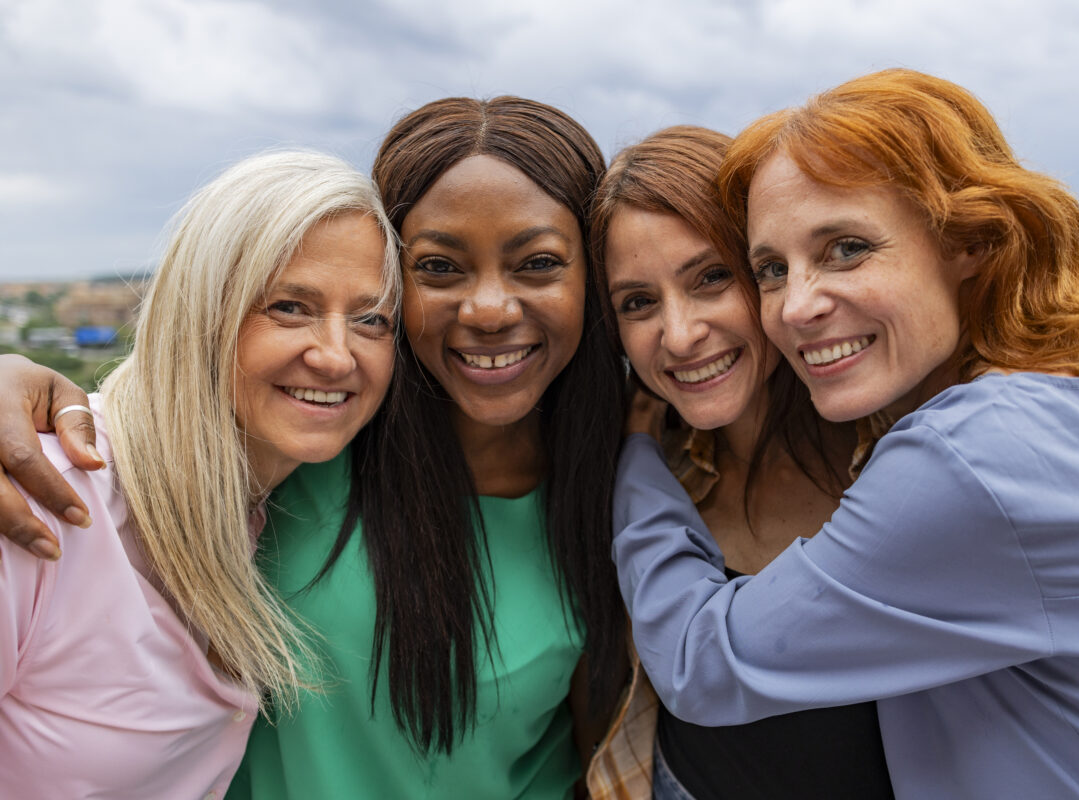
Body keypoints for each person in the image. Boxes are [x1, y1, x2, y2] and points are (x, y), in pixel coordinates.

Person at [0, 96, 628, 799]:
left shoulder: (627, 489)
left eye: (538, 262)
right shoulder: (293, 455)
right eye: (440, 268)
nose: (488, 309)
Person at [610, 69, 1079, 798]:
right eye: (770, 268)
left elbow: (704, 665)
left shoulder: (977, 454)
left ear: (970, 242)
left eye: (845, 248)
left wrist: (635, 458)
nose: (795, 306)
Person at [0, 149, 400, 798]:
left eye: (370, 318)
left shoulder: (268, 505)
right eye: (290, 306)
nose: (335, 354)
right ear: (199, 313)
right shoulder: (41, 501)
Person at [588, 125, 892, 799]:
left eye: (711, 278)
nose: (680, 334)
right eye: (637, 302)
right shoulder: (646, 471)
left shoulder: (898, 462)